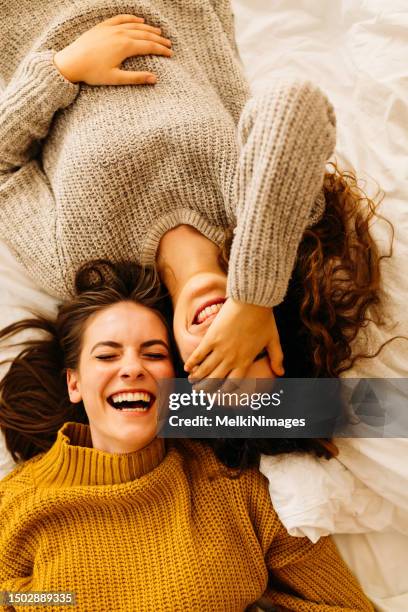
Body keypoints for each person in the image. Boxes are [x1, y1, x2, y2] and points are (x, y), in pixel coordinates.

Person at [0, 261, 374, 611]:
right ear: (74, 382)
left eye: (153, 353)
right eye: (107, 356)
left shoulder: (235, 487)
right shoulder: (16, 503)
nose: (132, 368)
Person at [0, 5, 338, 381]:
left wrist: (62, 70)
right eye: (250, 347)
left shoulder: (84, 270)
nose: (218, 334)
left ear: (176, 364)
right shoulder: (267, 216)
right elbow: (294, 103)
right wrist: (254, 297)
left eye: (213, 365)